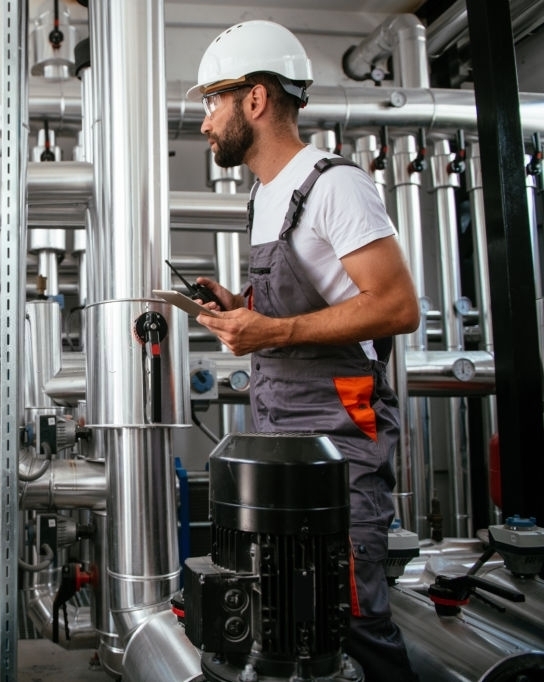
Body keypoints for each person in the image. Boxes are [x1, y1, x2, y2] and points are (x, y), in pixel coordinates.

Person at [184, 20, 421, 682]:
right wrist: (242, 310)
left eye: (213, 101)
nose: (206, 123)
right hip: (281, 439)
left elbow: (396, 306)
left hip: (339, 441)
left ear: (255, 99)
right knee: (295, 620)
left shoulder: (334, 185)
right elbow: (305, 306)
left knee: (353, 621)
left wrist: (275, 332)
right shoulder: (266, 195)